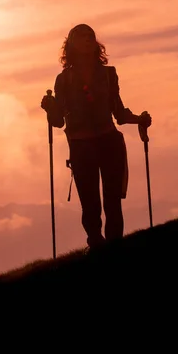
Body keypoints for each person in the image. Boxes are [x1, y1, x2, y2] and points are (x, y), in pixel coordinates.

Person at [41, 23, 152, 249]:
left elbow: (118, 113)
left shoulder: (108, 75)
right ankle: (97, 243)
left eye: (89, 35)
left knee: (111, 202)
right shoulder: (64, 80)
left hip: (104, 142)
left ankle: (110, 246)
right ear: (71, 44)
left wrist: (138, 119)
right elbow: (58, 120)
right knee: (91, 204)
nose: (86, 39)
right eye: (81, 36)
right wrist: (50, 109)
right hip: (84, 146)